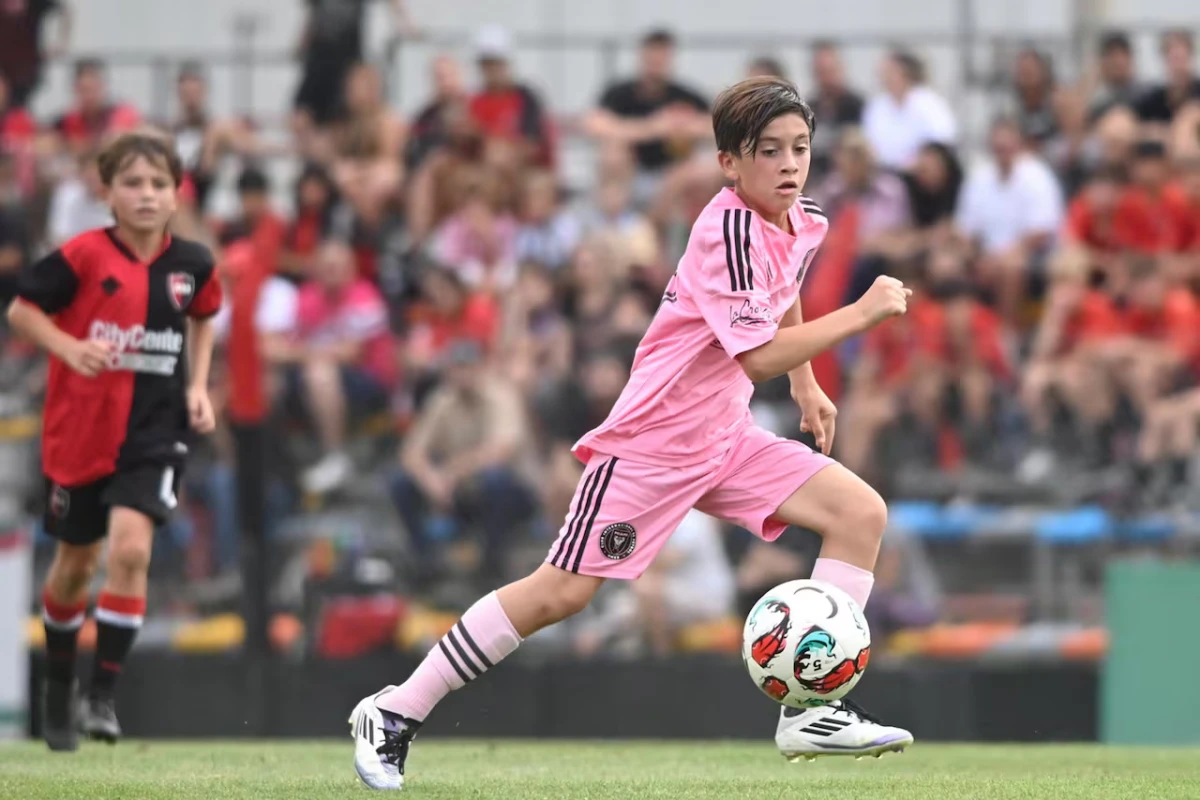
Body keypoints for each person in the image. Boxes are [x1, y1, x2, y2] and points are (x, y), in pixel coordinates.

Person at [350, 75, 915, 790]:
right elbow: (757, 353)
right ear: (728, 164)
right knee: (559, 594)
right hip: (652, 445)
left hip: (724, 436)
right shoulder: (727, 230)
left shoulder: (798, 219)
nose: (788, 164)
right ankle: (395, 712)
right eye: (767, 151)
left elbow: (786, 288)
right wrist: (862, 314)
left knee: (859, 513)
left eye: (799, 147)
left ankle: (813, 708)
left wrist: (808, 386)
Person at [7, 131, 222, 751]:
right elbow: (22, 310)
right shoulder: (81, 256)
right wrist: (70, 348)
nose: (147, 195)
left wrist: (200, 386)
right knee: (75, 565)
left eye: (159, 184)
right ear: (108, 193)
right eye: (133, 183)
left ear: (176, 194)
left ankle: (101, 696)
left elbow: (205, 314)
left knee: (130, 551)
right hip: (80, 433)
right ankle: (56, 686)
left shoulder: (193, 265)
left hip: (155, 433)